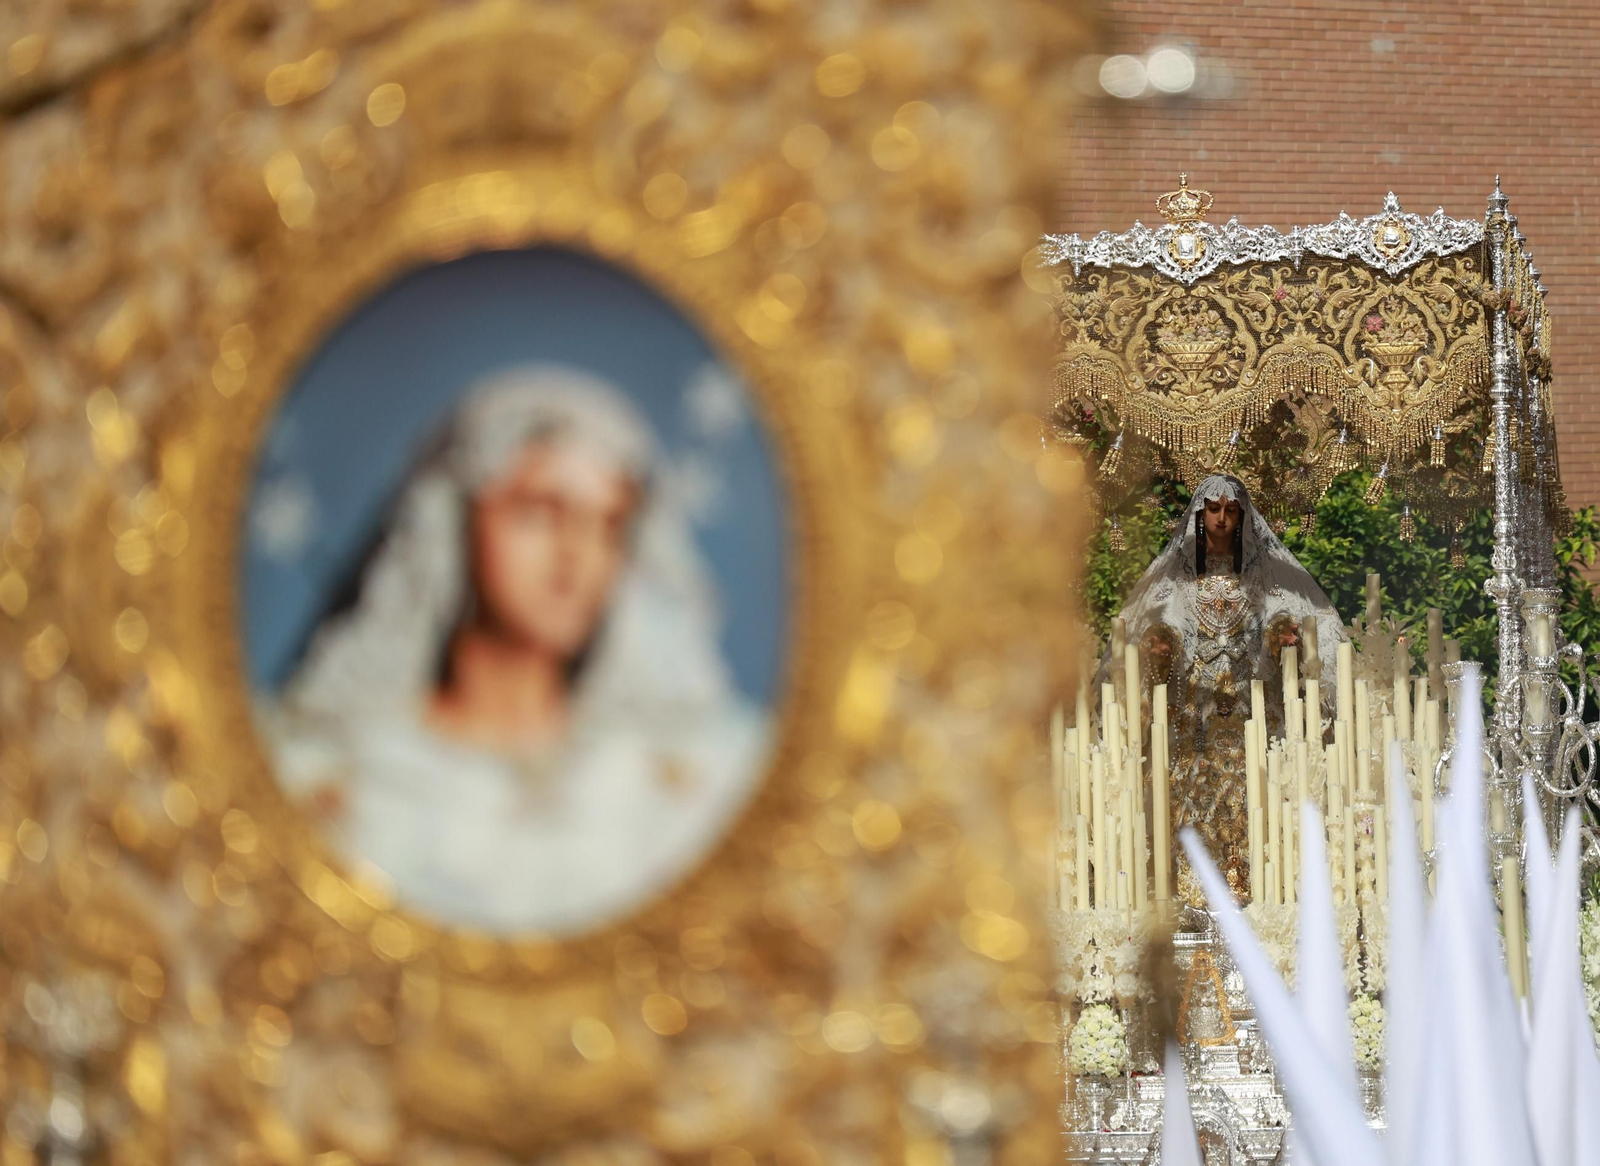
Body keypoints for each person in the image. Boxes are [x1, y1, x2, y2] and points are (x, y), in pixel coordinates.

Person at [260, 365, 768, 935]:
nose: (576, 560)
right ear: (454, 526)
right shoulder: (328, 777)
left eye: (606, 526)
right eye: (539, 513)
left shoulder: (696, 778)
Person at [1105, 474, 1346, 895]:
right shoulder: (1176, 582)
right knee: (1184, 798)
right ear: (1199, 516)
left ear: (1242, 518)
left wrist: (1282, 637)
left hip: (1252, 713)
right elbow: (1159, 625)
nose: (1221, 519)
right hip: (1191, 722)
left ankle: (1261, 890)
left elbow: (1295, 620)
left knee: (1258, 795)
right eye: (1213, 510)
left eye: (1230, 511)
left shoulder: (1265, 578)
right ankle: (1187, 892)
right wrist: (1161, 646)